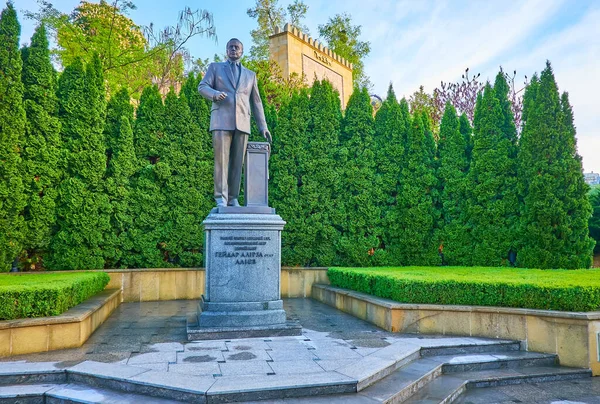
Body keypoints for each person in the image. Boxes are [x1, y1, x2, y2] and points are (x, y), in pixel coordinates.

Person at [198, 38, 272, 208]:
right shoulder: (215, 68)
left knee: (238, 163)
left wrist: (263, 126)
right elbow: (202, 87)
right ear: (226, 50)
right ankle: (220, 198)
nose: (233, 49)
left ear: (241, 51)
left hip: (242, 122)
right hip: (221, 120)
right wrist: (215, 94)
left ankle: (232, 198)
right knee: (221, 162)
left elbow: (257, 102)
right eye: (230, 47)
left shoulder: (250, 75)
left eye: (236, 47)